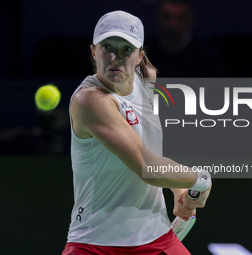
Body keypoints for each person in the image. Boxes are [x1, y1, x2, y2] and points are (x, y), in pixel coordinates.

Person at [62, 10, 212, 255]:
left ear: (140, 56)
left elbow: (150, 145)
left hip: (157, 238)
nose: (115, 58)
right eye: (107, 47)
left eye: (126, 49)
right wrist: (201, 180)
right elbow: (148, 167)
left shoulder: (146, 81)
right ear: (93, 51)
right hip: (95, 243)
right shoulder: (90, 100)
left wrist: (179, 190)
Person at [146, 0, 225, 77]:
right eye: (166, 17)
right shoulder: (144, 54)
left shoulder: (207, 56)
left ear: (190, 18)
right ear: (157, 17)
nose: (173, 24)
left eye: (180, 18)